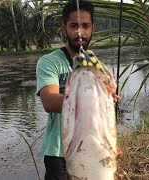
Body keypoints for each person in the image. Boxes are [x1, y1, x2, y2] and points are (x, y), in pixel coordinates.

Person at [36, 0, 120, 179]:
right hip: (58, 153)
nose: (80, 32)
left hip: (96, 149)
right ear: (64, 27)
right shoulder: (49, 62)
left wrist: (114, 143)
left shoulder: (101, 69)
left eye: (85, 25)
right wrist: (91, 97)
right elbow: (49, 102)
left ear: (93, 28)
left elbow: (106, 114)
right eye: (74, 25)